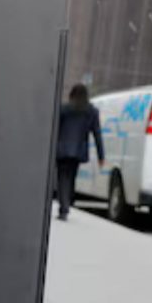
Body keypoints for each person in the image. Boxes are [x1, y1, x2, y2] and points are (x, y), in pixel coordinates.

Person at [54, 84, 105, 221]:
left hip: (62, 149)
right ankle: (67, 203)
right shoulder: (91, 111)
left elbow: (55, 129)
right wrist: (101, 156)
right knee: (71, 178)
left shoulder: (64, 109)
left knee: (62, 178)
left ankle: (64, 208)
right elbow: (97, 134)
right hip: (78, 151)